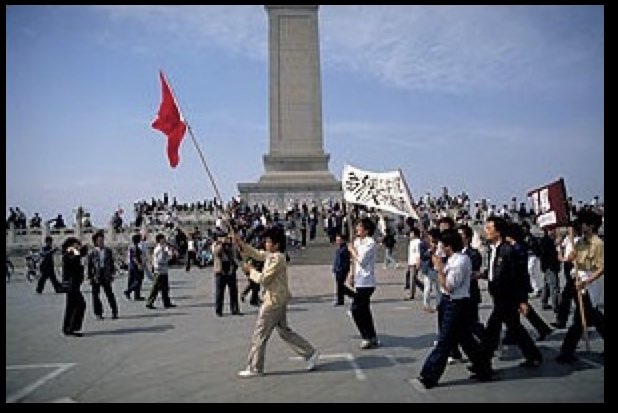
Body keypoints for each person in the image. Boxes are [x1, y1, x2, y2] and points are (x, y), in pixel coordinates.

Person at [233, 225, 319, 377]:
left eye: (268, 242)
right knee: (284, 332)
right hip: (278, 299)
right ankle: (310, 352)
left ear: (276, 244)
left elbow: (264, 279)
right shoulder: (272, 256)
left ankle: (255, 367)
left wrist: (251, 271)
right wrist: (241, 244)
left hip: (272, 302)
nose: (266, 244)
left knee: (260, 334)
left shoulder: (277, 258)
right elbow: (257, 254)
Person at [413, 229, 490, 389]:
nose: (439, 247)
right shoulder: (451, 259)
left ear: (448, 246)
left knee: (444, 340)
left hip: (456, 303)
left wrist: (439, 269)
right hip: (449, 302)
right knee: (465, 339)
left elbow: (449, 287)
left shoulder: (460, 261)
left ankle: (429, 375)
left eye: (441, 244)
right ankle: (483, 367)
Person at [481, 216, 543, 369]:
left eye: (489, 228)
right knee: (514, 327)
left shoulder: (508, 250)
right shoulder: (492, 250)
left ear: (498, 232)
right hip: (497, 294)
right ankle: (533, 355)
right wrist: (482, 275)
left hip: (507, 295)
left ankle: (482, 363)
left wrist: (522, 300)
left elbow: (519, 276)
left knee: (492, 328)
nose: (486, 231)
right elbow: (495, 271)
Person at [556, 210, 604, 363]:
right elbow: (569, 259)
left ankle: (566, 352)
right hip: (577, 281)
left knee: (581, 318)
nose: (581, 226)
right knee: (592, 317)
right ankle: (567, 352)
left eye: (583, 223)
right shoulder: (579, 242)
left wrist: (587, 281)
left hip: (589, 284)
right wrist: (567, 253)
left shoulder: (597, 244)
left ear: (591, 225)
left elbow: (601, 268)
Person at [348, 217, 380, 349]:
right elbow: (354, 261)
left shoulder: (370, 243)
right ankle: (372, 336)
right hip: (359, 280)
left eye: (360, 226)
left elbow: (361, 260)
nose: (357, 228)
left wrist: (352, 250)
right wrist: (352, 274)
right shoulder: (357, 241)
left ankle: (366, 336)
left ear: (366, 230)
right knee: (365, 310)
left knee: (356, 309)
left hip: (367, 281)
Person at [86, 231, 118, 320]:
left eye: (102, 240)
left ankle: (114, 311)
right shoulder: (92, 252)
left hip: (106, 274)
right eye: (99, 240)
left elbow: (111, 263)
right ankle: (98, 313)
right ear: (95, 241)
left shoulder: (108, 251)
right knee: (95, 295)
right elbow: (89, 265)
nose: (101, 242)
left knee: (109, 293)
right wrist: (90, 277)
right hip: (96, 275)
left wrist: (112, 273)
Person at [61, 237, 87, 337]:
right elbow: (73, 260)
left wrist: (82, 250)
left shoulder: (72, 253)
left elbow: (79, 256)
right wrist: (81, 251)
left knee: (71, 306)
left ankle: (68, 328)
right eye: (76, 244)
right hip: (71, 284)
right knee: (79, 304)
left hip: (74, 284)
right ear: (71, 245)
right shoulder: (69, 253)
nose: (78, 246)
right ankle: (71, 328)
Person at [212, 230, 241, 316]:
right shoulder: (215, 245)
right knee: (220, 292)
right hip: (220, 270)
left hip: (230, 267)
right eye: (222, 237)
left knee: (233, 290)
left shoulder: (230, 245)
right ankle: (219, 310)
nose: (225, 238)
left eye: (225, 237)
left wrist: (233, 243)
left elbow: (236, 253)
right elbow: (216, 253)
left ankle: (235, 309)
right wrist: (222, 244)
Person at [146, 234, 177, 309]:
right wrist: (168, 258)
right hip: (160, 270)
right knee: (156, 288)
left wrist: (170, 253)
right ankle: (149, 302)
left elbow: (167, 255)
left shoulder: (162, 248)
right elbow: (160, 260)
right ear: (160, 240)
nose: (165, 240)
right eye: (163, 239)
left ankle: (166, 303)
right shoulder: (160, 249)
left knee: (165, 288)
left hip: (163, 270)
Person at [332, 233, 351, 306]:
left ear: (343, 240)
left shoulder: (345, 249)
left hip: (342, 269)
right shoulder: (339, 248)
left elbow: (346, 260)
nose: (337, 241)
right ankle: (342, 298)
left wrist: (344, 268)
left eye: (339, 239)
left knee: (340, 285)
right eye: (337, 239)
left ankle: (342, 299)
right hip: (338, 269)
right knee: (340, 285)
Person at [124, 233, 145, 300]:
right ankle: (128, 291)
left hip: (132, 265)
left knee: (133, 280)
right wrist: (139, 264)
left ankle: (137, 296)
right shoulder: (134, 247)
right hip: (135, 266)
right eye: (139, 238)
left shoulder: (133, 246)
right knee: (138, 280)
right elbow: (134, 257)